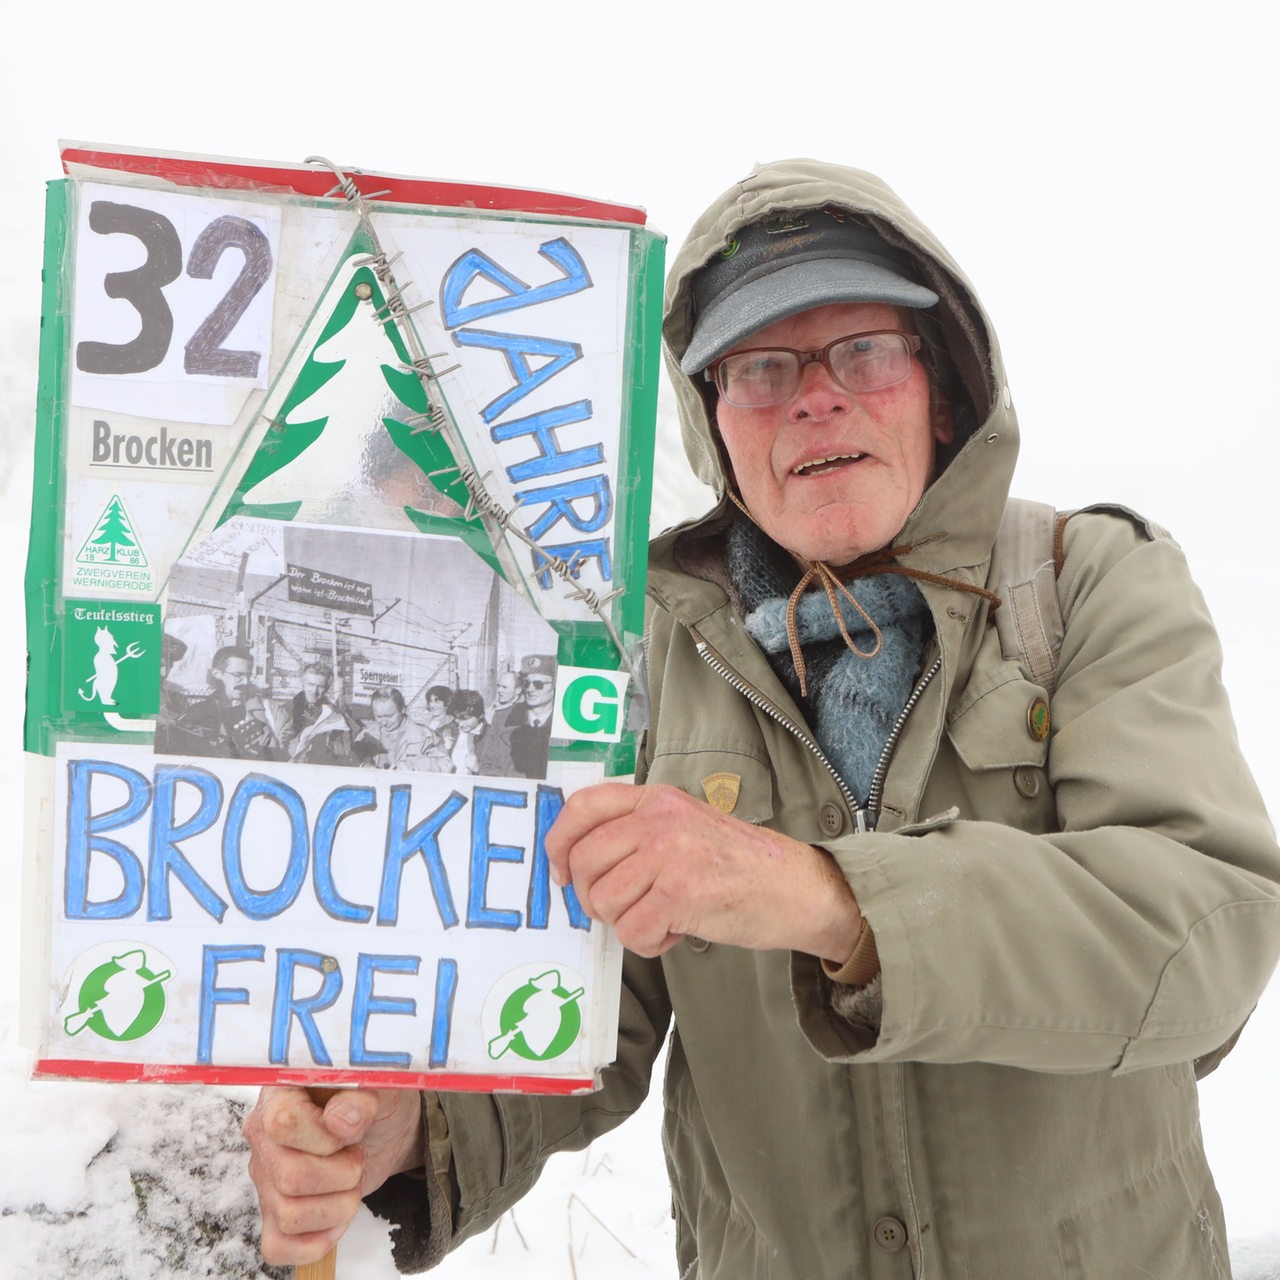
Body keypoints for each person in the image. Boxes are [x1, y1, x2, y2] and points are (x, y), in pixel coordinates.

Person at [243, 159, 1280, 1278]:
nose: (814, 395)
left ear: (940, 385)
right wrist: (401, 1132)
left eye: (864, 351)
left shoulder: (1084, 584)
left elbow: (1203, 927)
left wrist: (822, 896)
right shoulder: (631, 653)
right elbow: (579, 1014)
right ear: (714, 428)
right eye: (759, 367)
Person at [172, 644, 279, 759]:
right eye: (238, 675)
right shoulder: (197, 712)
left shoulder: (267, 710)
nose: (246, 682)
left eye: (248, 675)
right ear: (217, 674)